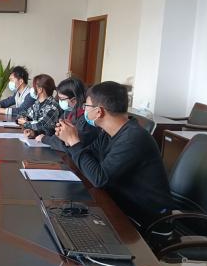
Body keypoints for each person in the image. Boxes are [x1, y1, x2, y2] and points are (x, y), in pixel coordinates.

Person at [55, 81, 174, 229]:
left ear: (99, 111)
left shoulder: (133, 138)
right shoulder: (109, 133)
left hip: (144, 219)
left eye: (86, 106)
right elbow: (88, 155)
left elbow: (100, 179)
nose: (84, 109)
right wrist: (69, 140)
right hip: (119, 203)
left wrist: (74, 141)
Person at [37, 77, 98, 151]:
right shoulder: (68, 111)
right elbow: (54, 129)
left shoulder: (87, 118)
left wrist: (44, 139)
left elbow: (69, 145)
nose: (59, 101)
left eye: (62, 99)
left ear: (74, 100)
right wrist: (36, 132)